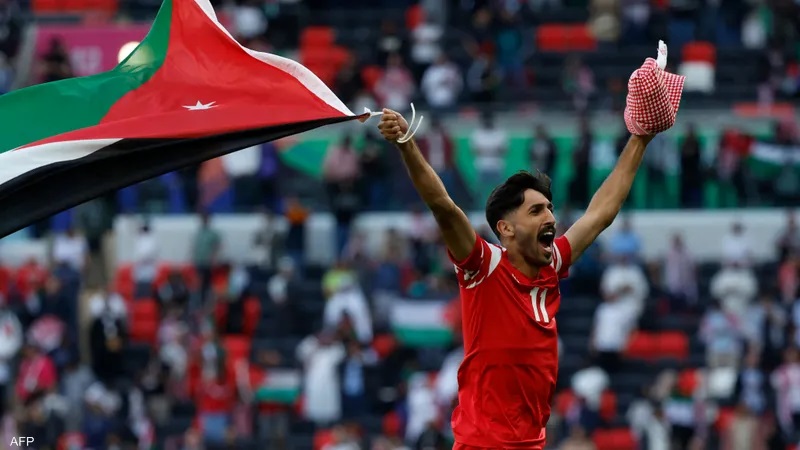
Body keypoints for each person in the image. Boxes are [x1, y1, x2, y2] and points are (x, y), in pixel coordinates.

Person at [377, 108, 654, 448]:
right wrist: (407, 144)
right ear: (506, 229)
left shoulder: (551, 264)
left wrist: (640, 138)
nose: (550, 217)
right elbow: (443, 206)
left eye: (549, 208)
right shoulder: (484, 266)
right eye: (536, 211)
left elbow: (600, 213)